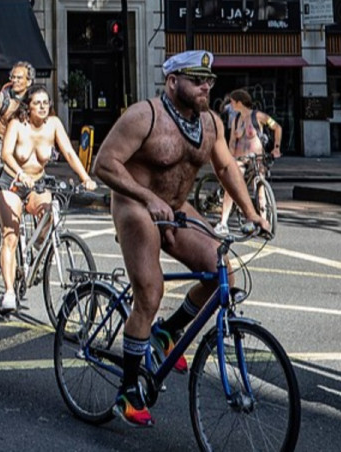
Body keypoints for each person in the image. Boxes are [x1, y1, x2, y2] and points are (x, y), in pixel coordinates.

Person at [93, 50, 269, 427]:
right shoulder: (145, 116)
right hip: (135, 204)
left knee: (220, 268)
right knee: (151, 292)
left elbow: (224, 166)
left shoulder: (210, 123)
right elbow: (104, 163)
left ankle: (167, 332)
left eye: (209, 80)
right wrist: (147, 197)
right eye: (196, 79)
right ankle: (127, 390)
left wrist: (252, 211)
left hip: (175, 206)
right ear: (173, 81)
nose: (206, 86)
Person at [0, 84, 97, 312]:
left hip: (37, 182)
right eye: (37, 103)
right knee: (10, 235)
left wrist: (85, 177)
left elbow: (69, 152)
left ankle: (37, 249)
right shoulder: (17, 125)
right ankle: (9, 292)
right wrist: (20, 174)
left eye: (45, 102)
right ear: (27, 107)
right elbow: (6, 154)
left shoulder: (54, 124)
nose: (42, 106)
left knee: (53, 210)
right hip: (11, 183)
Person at [215, 88, 283, 234]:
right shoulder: (236, 120)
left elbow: (277, 127)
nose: (231, 105)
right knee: (232, 188)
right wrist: (228, 158)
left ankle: (263, 222)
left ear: (239, 102)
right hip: (240, 159)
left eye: (232, 102)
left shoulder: (258, 116)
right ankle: (223, 223)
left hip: (256, 159)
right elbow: (232, 142)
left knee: (260, 190)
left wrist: (276, 148)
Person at [0, 61, 35, 166]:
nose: (15, 81)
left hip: (23, 144)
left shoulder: (36, 99)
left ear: (28, 81)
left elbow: (47, 123)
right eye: (13, 77)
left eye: (19, 78)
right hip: (0, 142)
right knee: (4, 174)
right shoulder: (2, 97)